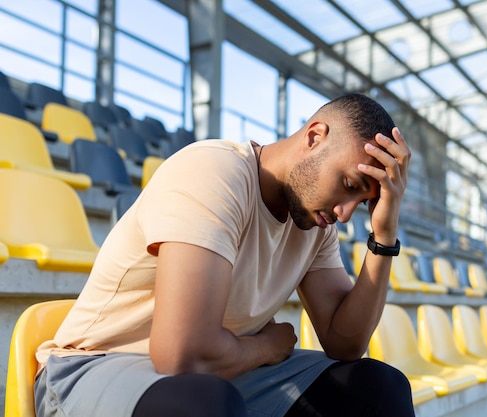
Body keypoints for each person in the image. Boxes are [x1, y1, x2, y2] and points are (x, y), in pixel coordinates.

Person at [34, 93, 414, 417]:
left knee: (378, 388)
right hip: (93, 370)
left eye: (361, 202)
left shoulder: (317, 224)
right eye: (349, 185)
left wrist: (383, 234)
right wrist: (267, 346)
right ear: (314, 137)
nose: (345, 213)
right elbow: (183, 356)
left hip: (220, 375)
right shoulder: (215, 172)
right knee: (207, 405)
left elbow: (345, 344)